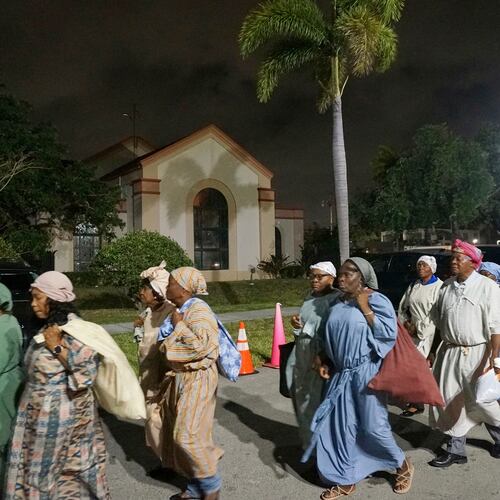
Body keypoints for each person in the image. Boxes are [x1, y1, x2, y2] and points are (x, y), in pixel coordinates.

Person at [303, 257, 414, 499]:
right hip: (340, 374)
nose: (341, 278)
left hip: (367, 373)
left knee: (374, 426)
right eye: (340, 274)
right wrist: (325, 358)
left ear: (362, 278)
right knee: (339, 428)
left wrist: (365, 308)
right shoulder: (337, 303)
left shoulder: (377, 300)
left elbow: (387, 335)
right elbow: (330, 335)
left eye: (347, 274)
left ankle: (402, 464)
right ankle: (345, 478)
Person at [4, 271, 110, 499]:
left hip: (62, 421)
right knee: (39, 474)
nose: (33, 304)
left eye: (38, 298)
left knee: (62, 477)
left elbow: (87, 374)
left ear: (55, 299)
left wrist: (58, 348)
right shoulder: (47, 327)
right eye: (32, 298)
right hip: (38, 417)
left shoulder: (78, 331)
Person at [429, 240, 500, 467]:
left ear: (473, 262)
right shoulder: (445, 287)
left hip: (479, 353)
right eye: (453, 257)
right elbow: (438, 323)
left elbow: (496, 327)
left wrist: (494, 359)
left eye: (459, 258)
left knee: (482, 402)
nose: (453, 261)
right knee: (451, 402)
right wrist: (432, 352)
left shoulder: (488, 287)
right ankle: (456, 450)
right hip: (450, 353)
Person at [156, 267, 222, 500]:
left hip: (198, 377)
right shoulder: (180, 309)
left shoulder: (200, 311)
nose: (167, 285)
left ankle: (211, 485)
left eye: (171, 282)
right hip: (182, 377)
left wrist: (179, 326)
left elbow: (203, 346)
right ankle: (195, 488)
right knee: (193, 434)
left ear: (183, 288)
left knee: (186, 436)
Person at [288, 261, 340, 449]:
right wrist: (296, 325)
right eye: (312, 276)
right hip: (302, 356)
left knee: (318, 403)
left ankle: (322, 451)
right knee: (302, 402)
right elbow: (305, 326)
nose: (314, 280)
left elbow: (334, 331)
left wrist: (322, 356)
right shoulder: (309, 298)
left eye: (320, 276)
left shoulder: (337, 299)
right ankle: (309, 446)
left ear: (332, 278)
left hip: (322, 359)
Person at [397, 255, 443, 417]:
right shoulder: (414, 286)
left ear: (432, 268)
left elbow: (436, 315)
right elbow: (404, 306)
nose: (421, 268)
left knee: (421, 369)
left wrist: (419, 329)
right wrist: (406, 324)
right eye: (419, 265)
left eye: (424, 265)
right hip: (412, 333)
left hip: (429, 334)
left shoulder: (439, 287)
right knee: (411, 368)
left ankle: (420, 402)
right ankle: (416, 400)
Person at [134, 261, 174, 400]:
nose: (141, 292)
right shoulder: (147, 313)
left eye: (145, 289)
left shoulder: (172, 314)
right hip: (147, 375)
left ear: (157, 293)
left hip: (162, 380)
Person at [0, 284, 24, 488]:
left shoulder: (5, 325)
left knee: (5, 440)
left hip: (5, 388)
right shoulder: (9, 321)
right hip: (8, 384)